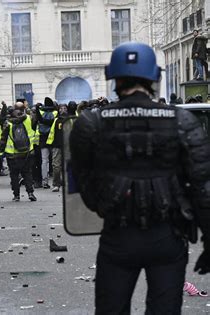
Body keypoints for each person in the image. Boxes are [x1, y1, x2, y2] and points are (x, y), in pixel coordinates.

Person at [70, 42, 210, 313]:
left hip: (117, 235)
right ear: (154, 78)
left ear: (115, 80)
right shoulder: (181, 120)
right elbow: (203, 187)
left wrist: (104, 205)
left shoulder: (91, 123)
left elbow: (81, 180)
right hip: (168, 237)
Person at [0, 104, 37, 202]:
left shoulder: (8, 123)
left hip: (12, 153)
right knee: (27, 173)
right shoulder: (28, 119)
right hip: (28, 151)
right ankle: (30, 192)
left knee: (14, 175)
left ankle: (16, 195)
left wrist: (0, 152)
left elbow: (3, 138)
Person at [37, 97, 57, 189]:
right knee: (55, 161)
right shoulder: (55, 113)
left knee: (44, 161)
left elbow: (40, 121)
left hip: (43, 139)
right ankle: (56, 181)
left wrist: (37, 109)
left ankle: (45, 181)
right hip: (53, 139)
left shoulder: (41, 112)